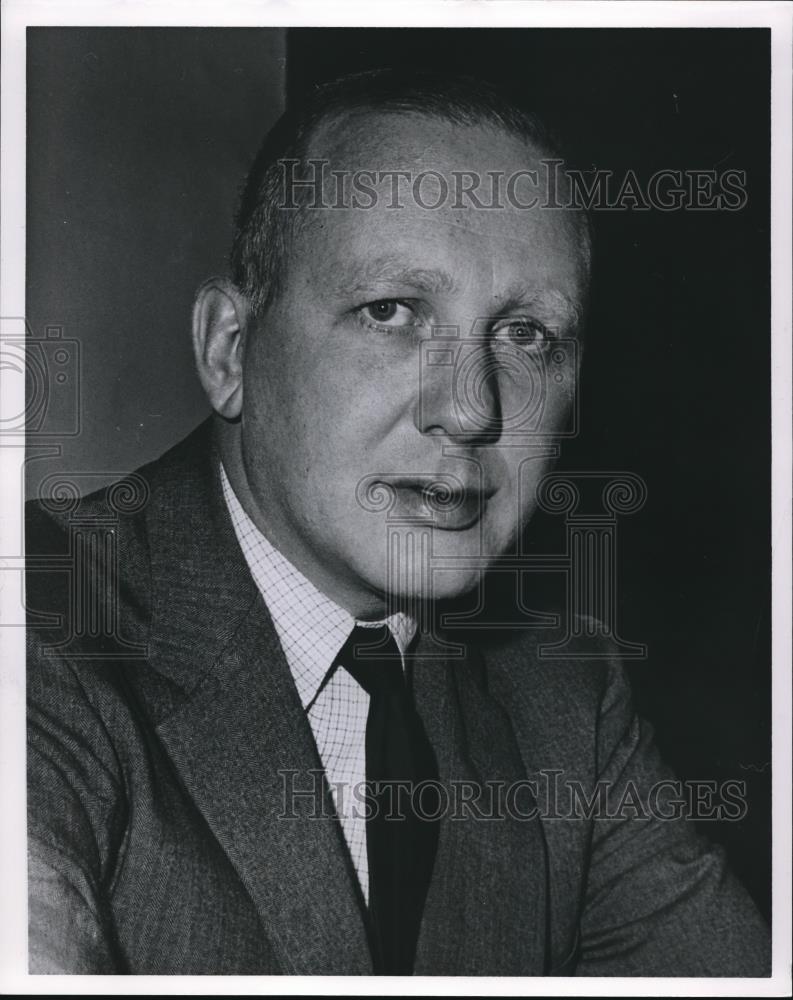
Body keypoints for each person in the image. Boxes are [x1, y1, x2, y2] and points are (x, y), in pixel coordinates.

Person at [26, 69, 770, 976]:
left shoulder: (560, 688)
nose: (468, 411)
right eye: (392, 312)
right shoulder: (42, 620)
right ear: (230, 350)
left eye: (525, 334)